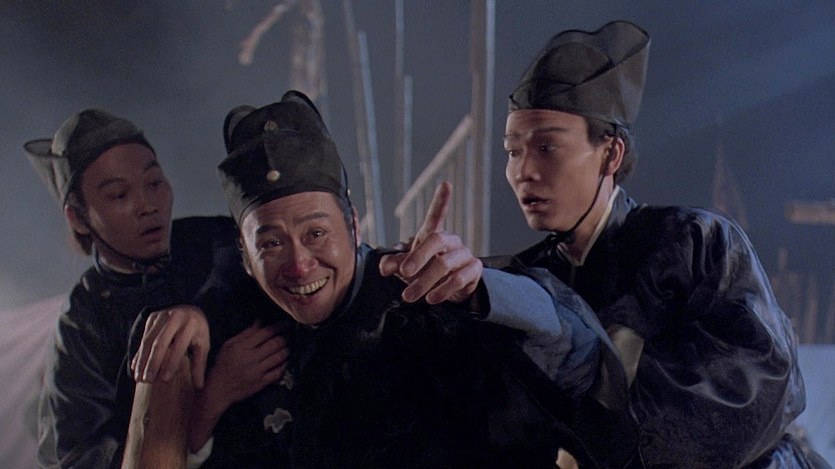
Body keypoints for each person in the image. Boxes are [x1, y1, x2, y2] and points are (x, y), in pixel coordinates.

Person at [132, 90, 619, 468]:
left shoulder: (423, 292)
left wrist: (484, 291)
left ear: (354, 225)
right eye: (272, 243)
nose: (299, 265)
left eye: (317, 233)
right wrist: (209, 398)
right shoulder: (245, 332)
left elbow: (579, 363)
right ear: (244, 255)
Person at [499, 20, 829, 468]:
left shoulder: (693, 245)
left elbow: (754, 388)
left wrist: (604, 438)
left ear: (611, 153)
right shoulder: (528, 280)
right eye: (513, 151)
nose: (524, 171)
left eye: (547, 147)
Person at [24, 109, 267, 468]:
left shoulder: (218, 242)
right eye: (119, 194)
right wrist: (207, 403)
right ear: (78, 217)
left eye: (154, 183)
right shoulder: (83, 324)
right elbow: (79, 457)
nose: (148, 206)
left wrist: (203, 314)